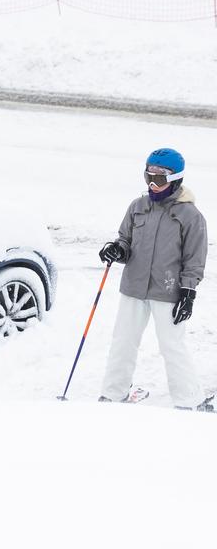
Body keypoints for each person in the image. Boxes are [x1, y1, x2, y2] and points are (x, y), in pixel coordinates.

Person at [98, 148, 210, 410]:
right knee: (123, 341)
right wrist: (117, 249)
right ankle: (113, 393)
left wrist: (188, 292)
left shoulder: (191, 216)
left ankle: (189, 400)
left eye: (159, 179)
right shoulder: (137, 207)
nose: (152, 184)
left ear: (176, 179)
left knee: (172, 346)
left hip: (168, 290)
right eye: (148, 176)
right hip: (133, 287)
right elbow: (125, 240)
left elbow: (195, 260)